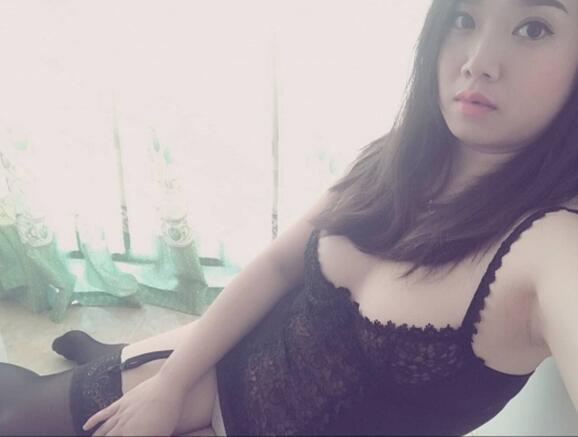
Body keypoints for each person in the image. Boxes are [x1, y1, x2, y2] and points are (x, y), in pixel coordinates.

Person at [2, 0, 578, 435]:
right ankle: (120, 358)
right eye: (464, 18)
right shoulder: (401, 155)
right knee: (17, 411)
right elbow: (281, 266)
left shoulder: (554, 246)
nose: (478, 63)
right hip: (233, 365)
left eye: (534, 28)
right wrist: (170, 385)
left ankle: (117, 360)